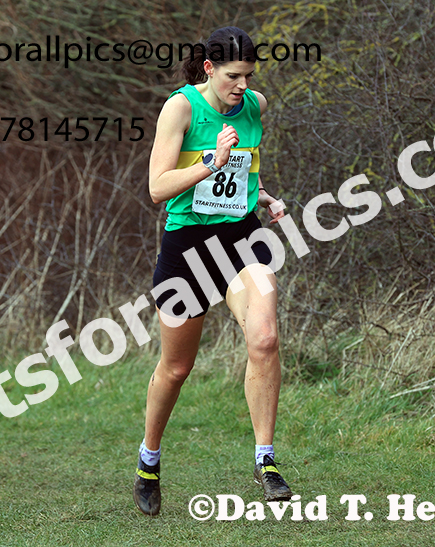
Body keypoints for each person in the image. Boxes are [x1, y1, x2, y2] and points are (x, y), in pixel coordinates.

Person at [133, 26, 292, 516]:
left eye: (248, 75)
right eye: (232, 76)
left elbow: (245, 167)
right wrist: (210, 161)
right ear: (209, 69)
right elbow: (158, 189)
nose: (242, 86)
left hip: (242, 239)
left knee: (264, 339)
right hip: (188, 248)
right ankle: (149, 459)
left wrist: (260, 195)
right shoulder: (181, 108)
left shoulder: (255, 106)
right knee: (177, 368)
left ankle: (265, 460)